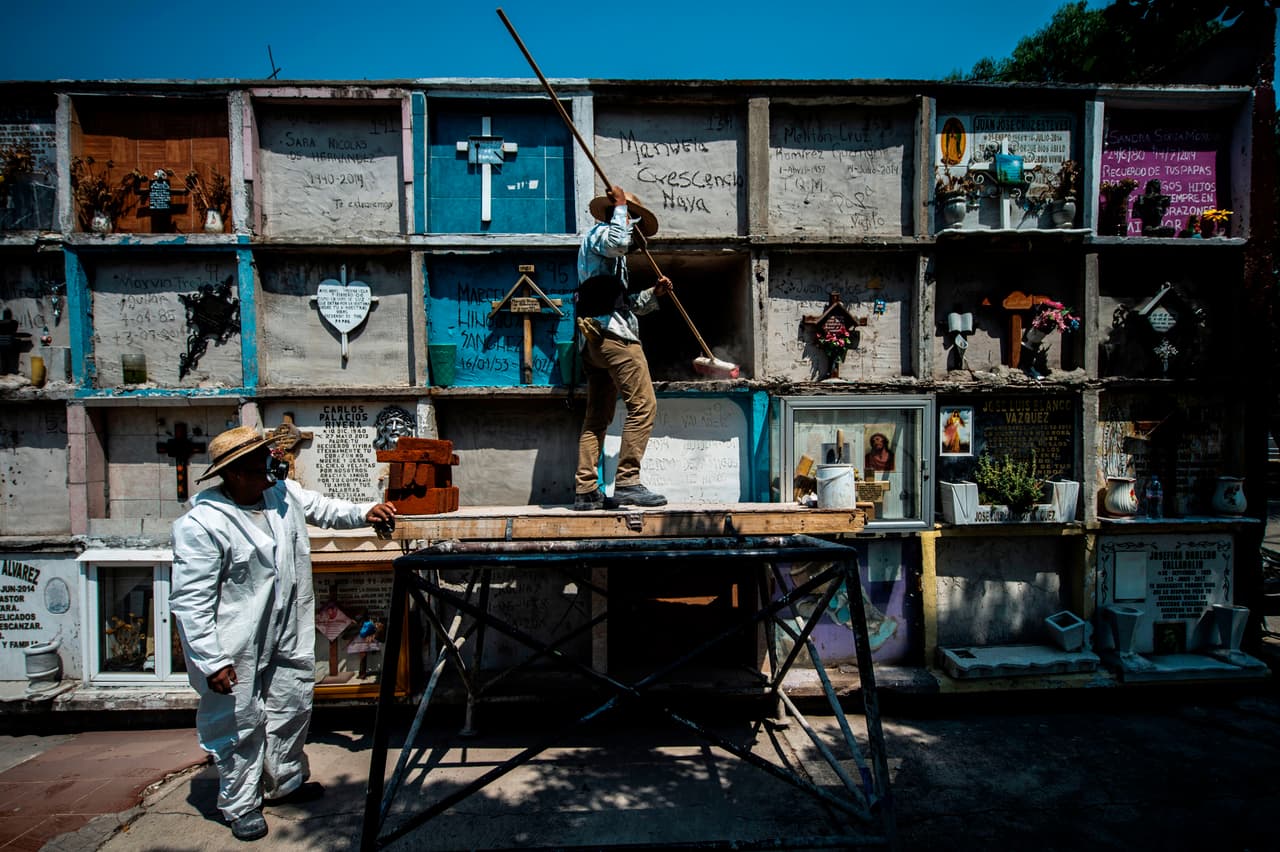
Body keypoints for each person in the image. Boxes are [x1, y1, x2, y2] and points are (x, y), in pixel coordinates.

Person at [169, 425, 396, 841]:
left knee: (291, 705)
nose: (271, 470)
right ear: (234, 473)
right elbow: (191, 602)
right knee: (239, 722)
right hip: (235, 643)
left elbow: (324, 508)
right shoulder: (201, 525)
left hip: (287, 628)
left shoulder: (280, 495)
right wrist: (211, 660)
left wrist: (365, 511)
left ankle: (283, 783)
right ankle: (241, 806)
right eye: (260, 465)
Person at [573, 185, 672, 510]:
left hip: (594, 341)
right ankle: (628, 481)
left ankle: (586, 490)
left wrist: (653, 295)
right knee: (644, 406)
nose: (636, 234)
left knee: (597, 417)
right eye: (635, 223)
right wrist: (620, 208)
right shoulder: (603, 235)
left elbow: (625, 304)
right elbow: (618, 241)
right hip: (615, 338)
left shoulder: (607, 260)